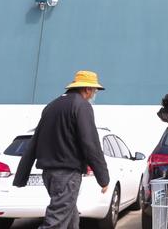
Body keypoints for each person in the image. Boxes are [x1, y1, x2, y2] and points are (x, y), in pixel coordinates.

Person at [13, 70, 110, 229]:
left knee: (70, 218)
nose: (94, 94)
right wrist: (103, 178)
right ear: (86, 89)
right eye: (94, 90)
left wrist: (21, 175)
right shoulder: (81, 106)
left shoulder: (51, 106)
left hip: (49, 175)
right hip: (67, 175)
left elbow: (35, 140)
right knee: (56, 222)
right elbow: (90, 143)